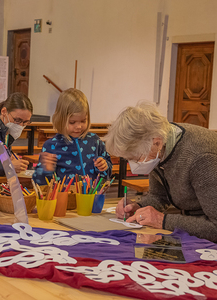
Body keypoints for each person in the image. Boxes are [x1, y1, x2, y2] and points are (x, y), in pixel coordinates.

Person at [105, 101, 217, 242]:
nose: (133, 164)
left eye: (135, 158)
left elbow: (215, 228)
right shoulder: (159, 148)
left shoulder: (200, 158)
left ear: (156, 142)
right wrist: (139, 207)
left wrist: (162, 221)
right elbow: (159, 197)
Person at [33, 88, 112, 185]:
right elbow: (38, 182)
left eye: (83, 121)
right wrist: (46, 170)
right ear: (60, 119)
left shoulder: (95, 141)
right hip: (65, 198)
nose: (78, 127)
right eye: (72, 122)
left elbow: (107, 174)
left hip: (92, 197)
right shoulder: (51, 145)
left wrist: (104, 166)